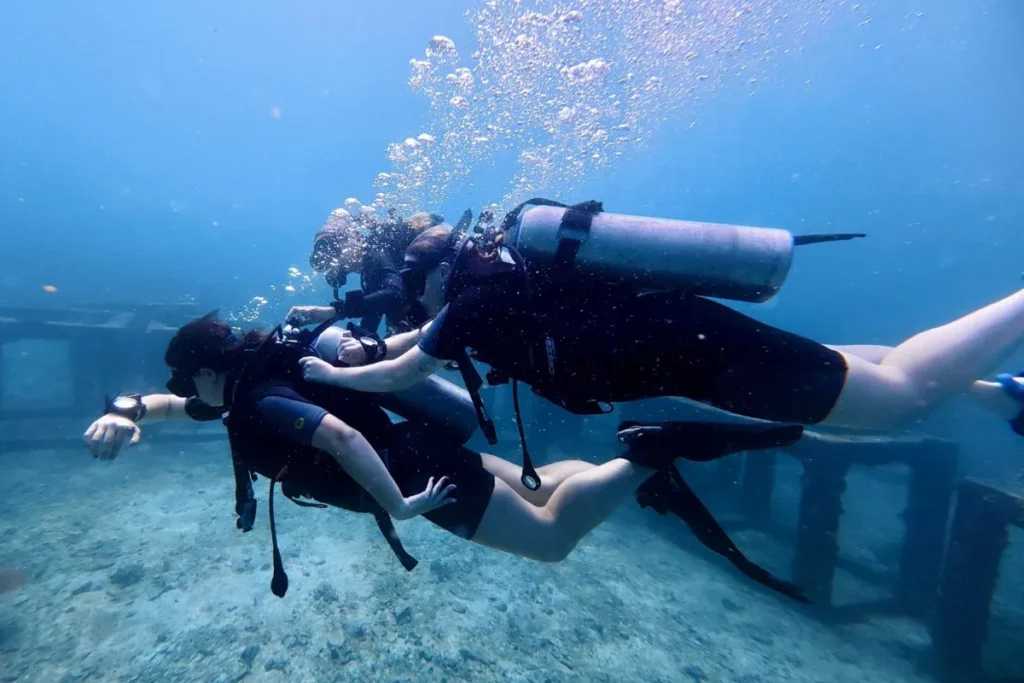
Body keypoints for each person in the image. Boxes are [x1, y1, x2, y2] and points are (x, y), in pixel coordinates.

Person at [82, 312, 809, 601]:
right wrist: (128, 413)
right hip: (419, 447)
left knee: (551, 536)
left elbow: (337, 438)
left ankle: (651, 454)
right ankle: (639, 456)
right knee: (536, 490)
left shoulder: (260, 398)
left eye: (185, 376)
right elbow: (186, 408)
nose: (184, 390)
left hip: (413, 474)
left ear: (210, 364)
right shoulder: (247, 384)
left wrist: (398, 504)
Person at [296, 218, 1024, 486]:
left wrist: (328, 370)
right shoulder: (486, 293)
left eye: (409, 288)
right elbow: (408, 340)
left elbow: (404, 364)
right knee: (853, 371)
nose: (405, 300)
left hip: (699, 356)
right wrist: (349, 335)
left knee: (897, 399)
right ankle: (1004, 392)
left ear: (432, 276)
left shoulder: (469, 305)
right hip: (689, 347)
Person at [286, 207, 445, 338]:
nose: (336, 261)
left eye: (335, 249)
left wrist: (334, 311)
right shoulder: (371, 274)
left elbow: (394, 293)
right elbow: (370, 322)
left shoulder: (377, 255)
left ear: (354, 238)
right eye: (328, 258)